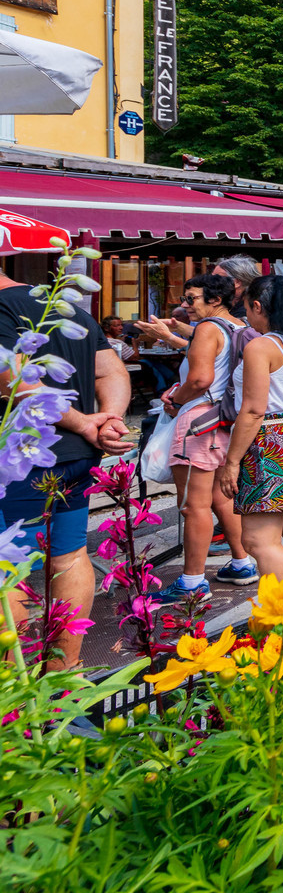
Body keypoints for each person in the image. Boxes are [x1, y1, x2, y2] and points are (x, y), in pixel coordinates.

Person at [0, 268, 133, 669]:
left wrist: (84, 422)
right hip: (76, 457)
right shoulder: (67, 306)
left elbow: (12, 378)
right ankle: (63, 680)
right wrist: (108, 419)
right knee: (70, 555)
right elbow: (112, 371)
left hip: (19, 460)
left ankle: (14, 697)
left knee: (10, 567)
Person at [149, 274, 255, 605]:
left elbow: (199, 378)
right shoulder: (239, 327)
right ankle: (241, 562)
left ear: (214, 300)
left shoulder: (209, 328)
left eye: (191, 298)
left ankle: (192, 580)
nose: (185, 305)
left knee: (193, 505)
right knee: (220, 497)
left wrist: (176, 399)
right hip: (225, 419)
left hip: (199, 421)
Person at [218, 275, 283, 580]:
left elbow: (252, 411)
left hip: (270, 440)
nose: (246, 316)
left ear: (256, 306)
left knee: (257, 539)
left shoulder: (261, 347)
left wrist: (232, 462)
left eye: (246, 309)